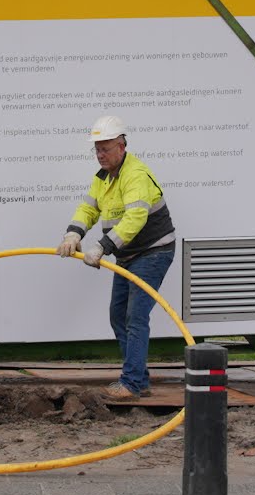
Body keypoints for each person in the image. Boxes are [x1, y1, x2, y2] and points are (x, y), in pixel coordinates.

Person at [55, 114, 178, 402]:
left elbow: (135, 217)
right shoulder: (103, 178)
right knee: (118, 315)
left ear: (122, 146)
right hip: (129, 255)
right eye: (97, 149)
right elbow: (88, 209)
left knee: (135, 316)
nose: (100, 154)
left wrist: (102, 246)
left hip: (153, 251)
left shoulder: (134, 175)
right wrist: (73, 235)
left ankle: (132, 383)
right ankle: (138, 378)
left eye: (106, 148)